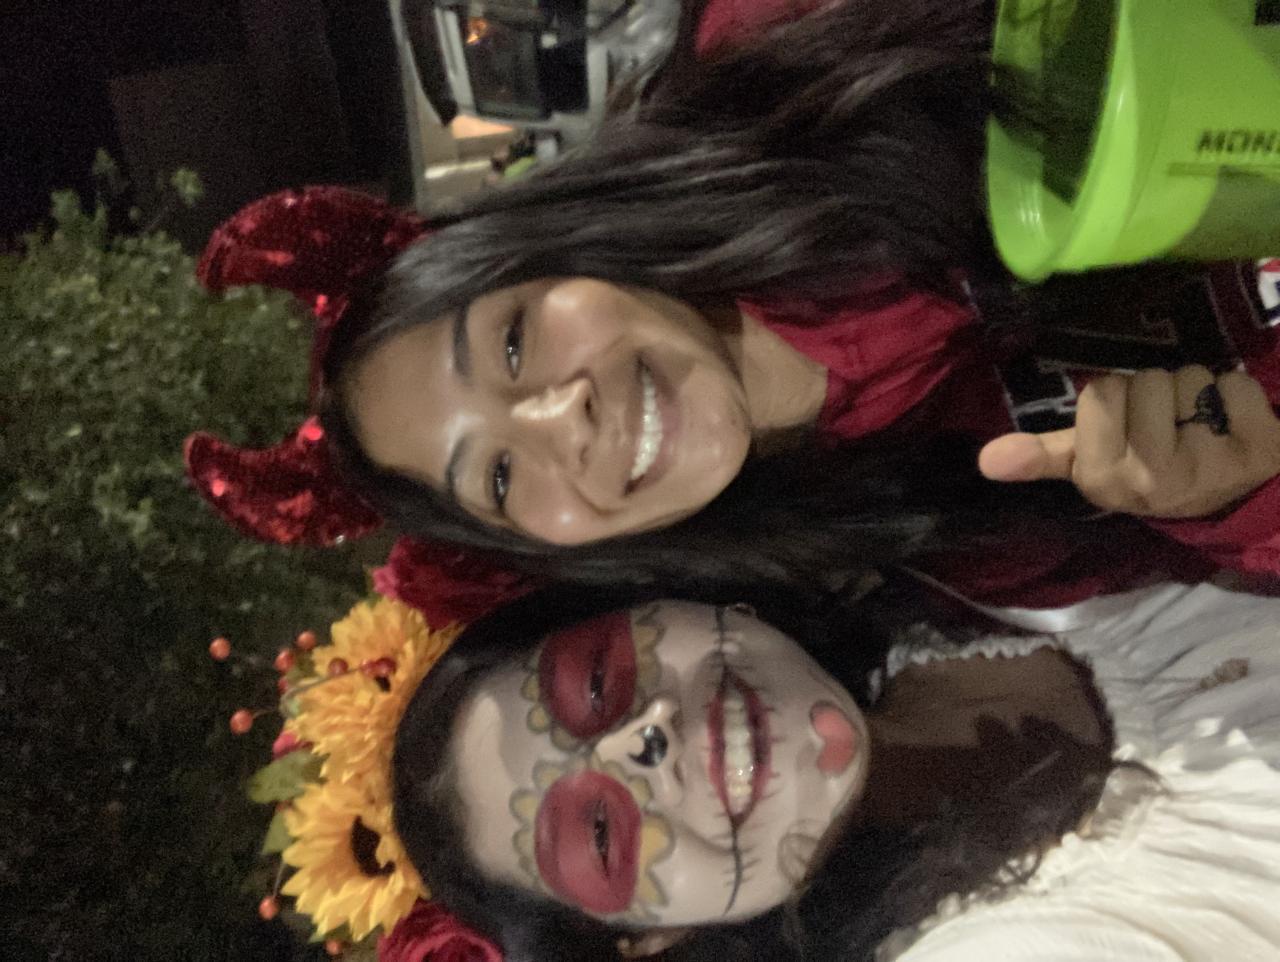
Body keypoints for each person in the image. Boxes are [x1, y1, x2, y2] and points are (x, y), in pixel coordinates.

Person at [392, 577, 1280, 962]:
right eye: (598, 833)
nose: (641, 741)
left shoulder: (970, 561)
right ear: (656, 937)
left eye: (595, 681)